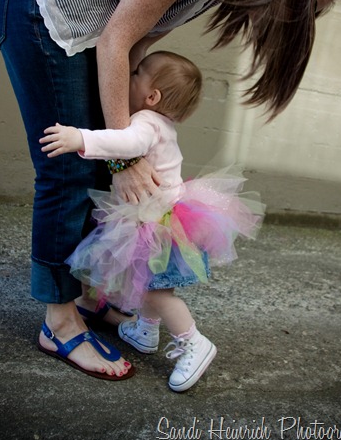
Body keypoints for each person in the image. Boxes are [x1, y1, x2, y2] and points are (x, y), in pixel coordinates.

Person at [0, 0, 341, 382]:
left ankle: (91, 300)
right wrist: (123, 156)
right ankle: (59, 321)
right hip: (40, 7)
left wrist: (134, 137)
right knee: (70, 168)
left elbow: (134, 42)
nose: (296, 23)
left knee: (99, 159)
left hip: (85, 29)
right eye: (305, 9)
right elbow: (118, 39)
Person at [39, 50, 263, 391]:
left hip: (154, 226)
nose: (128, 75)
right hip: (163, 220)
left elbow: (125, 142)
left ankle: (194, 343)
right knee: (153, 284)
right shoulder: (162, 123)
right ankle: (145, 330)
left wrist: (79, 138)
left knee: (153, 292)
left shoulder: (144, 122)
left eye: (136, 73)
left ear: (152, 95)